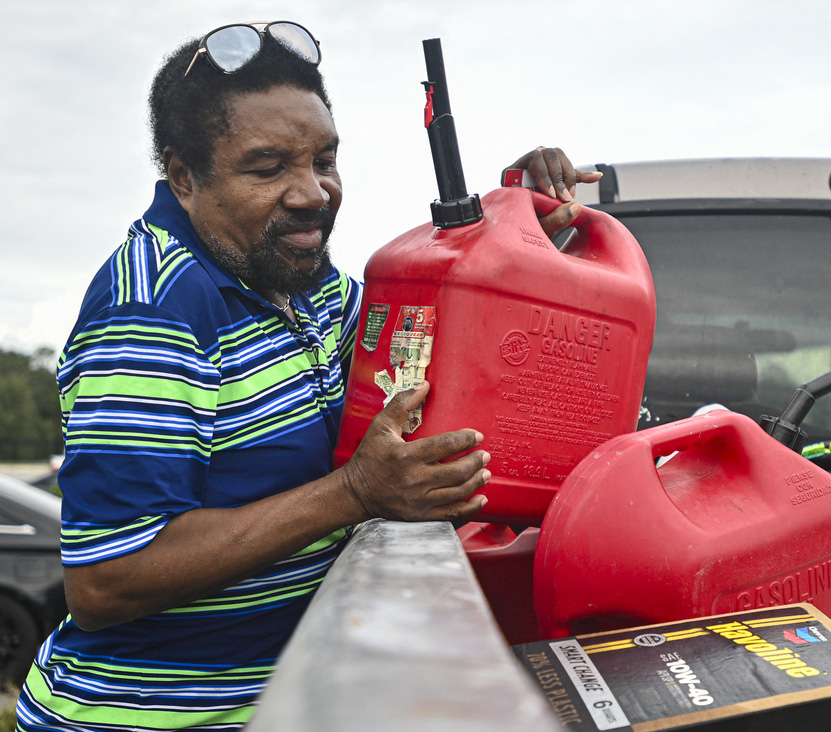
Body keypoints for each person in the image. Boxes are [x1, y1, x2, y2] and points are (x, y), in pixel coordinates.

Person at [17, 21, 599, 732]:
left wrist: (513, 216)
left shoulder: (311, 286)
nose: (312, 193)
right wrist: (354, 493)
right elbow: (107, 579)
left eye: (324, 159)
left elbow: (451, 350)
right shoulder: (154, 306)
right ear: (182, 176)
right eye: (268, 168)